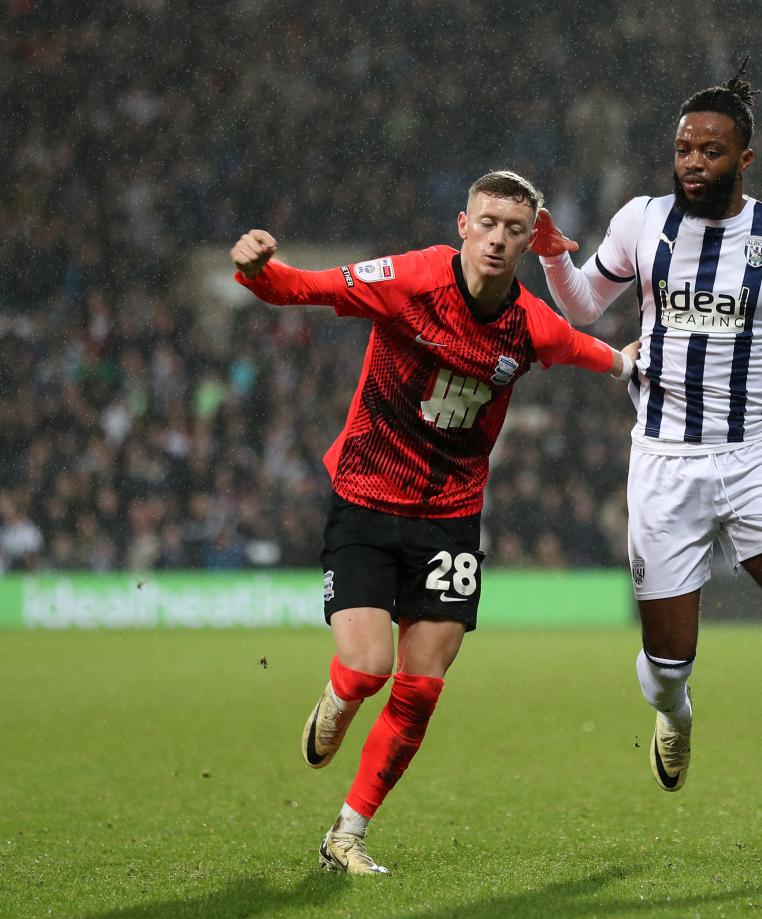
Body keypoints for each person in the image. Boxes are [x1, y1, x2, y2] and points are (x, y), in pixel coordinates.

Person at [531, 62, 762, 863]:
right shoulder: (641, 222)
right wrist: (551, 258)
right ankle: (674, 712)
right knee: (670, 665)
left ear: (745, 159)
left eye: (711, 150)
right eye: (683, 148)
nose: (693, 162)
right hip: (663, 465)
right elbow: (582, 308)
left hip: (751, 459)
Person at [231, 171, 638, 875]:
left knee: (420, 690)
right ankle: (338, 696)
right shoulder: (410, 279)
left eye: (514, 229)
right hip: (366, 495)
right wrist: (258, 271)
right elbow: (305, 289)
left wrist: (625, 363)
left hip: (450, 520)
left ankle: (348, 834)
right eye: (488, 223)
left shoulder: (530, 324)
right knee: (367, 669)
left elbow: (585, 349)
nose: (499, 239)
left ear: (525, 237)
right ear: (463, 224)